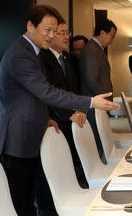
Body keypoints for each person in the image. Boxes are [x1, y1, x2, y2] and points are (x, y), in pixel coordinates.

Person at [0, 5, 118, 216]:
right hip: (15, 139)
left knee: (29, 200)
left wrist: (45, 117)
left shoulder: (33, 52)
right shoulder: (20, 54)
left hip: (28, 134)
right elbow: (46, 92)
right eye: (47, 30)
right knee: (18, 204)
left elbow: (31, 96)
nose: (51, 36)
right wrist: (90, 102)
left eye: (55, 30)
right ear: (30, 26)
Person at [40, 20, 88, 188]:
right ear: (50, 35)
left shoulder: (66, 57)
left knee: (72, 158)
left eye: (67, 32)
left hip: (72, 115)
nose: (66, 37)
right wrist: (68, 114)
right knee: (58, 163)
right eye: (60, 32)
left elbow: (73, 88)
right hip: (55, 118)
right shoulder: (42, 58)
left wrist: (79, 108)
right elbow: (48, 93)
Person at [79, 19, 116, 162]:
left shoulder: (96, 48)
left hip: (98, 103)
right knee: (96, 141)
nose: (112, 39)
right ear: (102, 33)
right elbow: (92, 79)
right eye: (112, 35)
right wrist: (104, 101)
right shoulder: (92, 50)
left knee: (100, 141)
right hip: (94, 104)